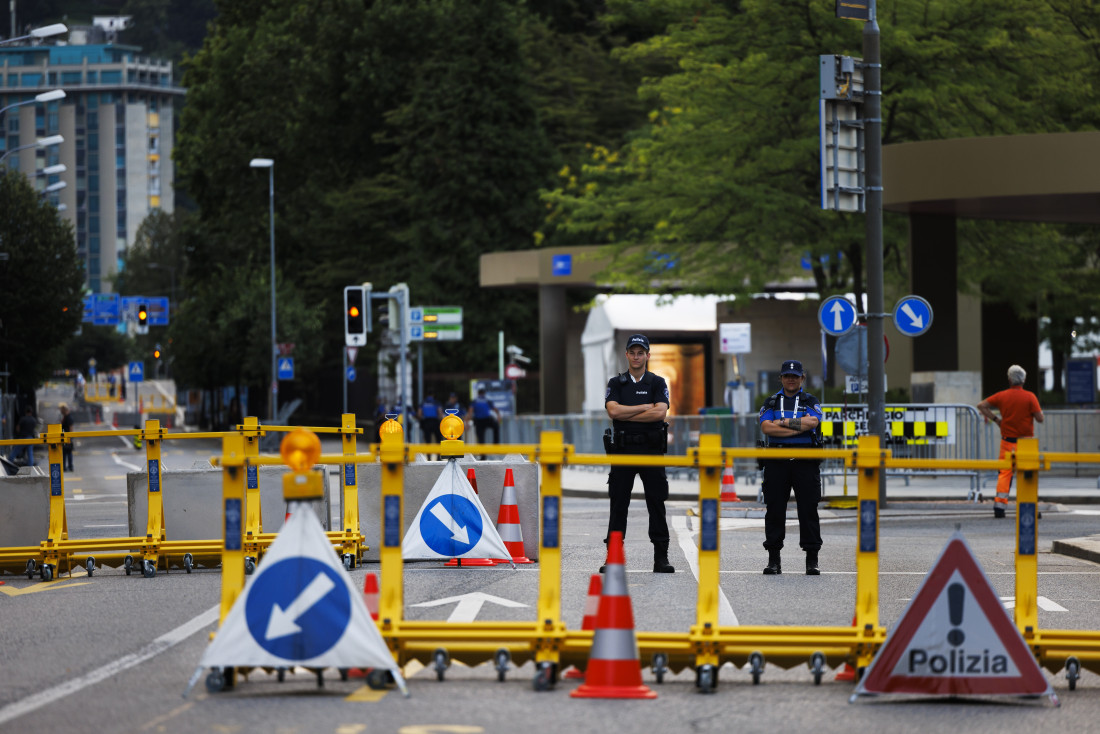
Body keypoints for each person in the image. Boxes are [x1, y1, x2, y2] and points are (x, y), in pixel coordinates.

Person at [603, 333, 674, 574]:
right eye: (632, 352)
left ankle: (661, 557)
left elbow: (660, 413)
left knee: (656, 503)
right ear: (626, 355)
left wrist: (628, 412)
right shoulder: (616, 383)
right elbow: (613, 411)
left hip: (651, 450)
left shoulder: (657, 382)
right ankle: (613, 556)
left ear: (647, 355)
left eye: (640, 352)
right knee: (618, 504)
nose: (636, 356)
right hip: (623, 450)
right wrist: (645, 406)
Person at [758, 360, 824, 576]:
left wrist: (782, 423)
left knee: (808, 510)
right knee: (775, 510)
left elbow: (813, 422)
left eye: (795, 376)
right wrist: (797, 427)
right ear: (781, 378)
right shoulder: (771, 401)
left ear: (802, 378)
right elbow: (767, 427)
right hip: (777, 460)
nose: (791, 379)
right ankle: (773, 560)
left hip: (805, 460)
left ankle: (812, 560)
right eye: (787, 375)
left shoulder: (810, 400)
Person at [977, 364, 1045, 519]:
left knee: (1004, 474)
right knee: (1028, 475)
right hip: (1026, 444)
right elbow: (1040, 419)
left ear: (1009, 379)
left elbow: (981, 405)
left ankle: (999, 507)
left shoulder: (1002, 396)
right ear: (1024, 380)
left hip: (1007, 442)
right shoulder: (1030, 397)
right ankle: (1030, 508)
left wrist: (996, 419)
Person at [59, 404, 75, 471]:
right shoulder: (65, 417)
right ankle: (65, 467)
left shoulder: (68, 417)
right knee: (65, 453)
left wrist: (70, 438)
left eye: (61, 411)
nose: (61, 412)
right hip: (65, 437)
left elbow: (71, 428)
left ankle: (70, 466)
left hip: (67, 438)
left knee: (68, 452)